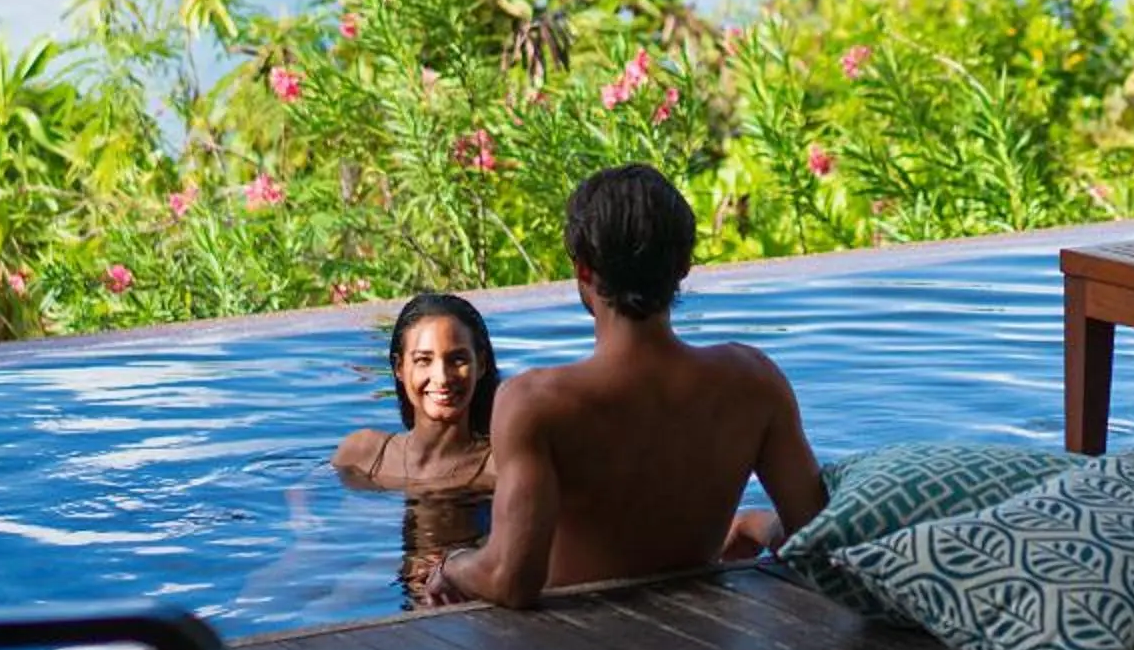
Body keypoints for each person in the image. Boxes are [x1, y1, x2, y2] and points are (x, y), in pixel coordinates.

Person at [437, 164, 826, 609]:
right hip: (705, 646)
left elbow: (511, 581)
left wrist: (452, 564)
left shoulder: (535, 403)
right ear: (683, 266)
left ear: (584, 271)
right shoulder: (754, 380)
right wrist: (755, 524)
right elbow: (815, 535)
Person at [333, 291, 500, 605]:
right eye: (424, 360)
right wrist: (304, 531)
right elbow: (310, 501)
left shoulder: (498, 466)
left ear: (481, 365)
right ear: (398, 367)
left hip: (466, 590)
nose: (442, 377)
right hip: (389, 575)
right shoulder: (363, 454)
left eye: (458, 359)